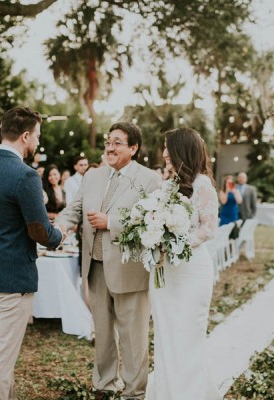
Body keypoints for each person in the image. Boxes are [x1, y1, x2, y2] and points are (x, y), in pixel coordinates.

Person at [55, 122, 161, 399]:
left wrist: (111, 222)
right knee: (102, 331)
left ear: (133, 148)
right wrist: (60, 228)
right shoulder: (93, 176)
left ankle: (135, 392)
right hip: (95, 265)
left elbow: (152, 223)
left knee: (133, 336)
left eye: (117, 142)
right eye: (108, 142)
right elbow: (74, 208)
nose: (110, 148)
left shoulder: (150, 179)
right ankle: (104, 385)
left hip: (130, 268)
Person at [0, 106, 63, 399]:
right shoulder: (25, 175)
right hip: (12, 280)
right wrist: (59, 234)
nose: (37, 142)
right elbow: (39, 231)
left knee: (1, 355)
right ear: (25, 136)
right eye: (36, 136)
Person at [148, 127, 222, 399]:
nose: (164, 153)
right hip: (167, 271)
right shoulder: (168, 185)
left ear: (183, 150)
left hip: (191, 271)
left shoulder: (202, 184)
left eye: (168, 147)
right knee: (166, 333)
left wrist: (177, 244)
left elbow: (209, 229)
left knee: (188, 334)